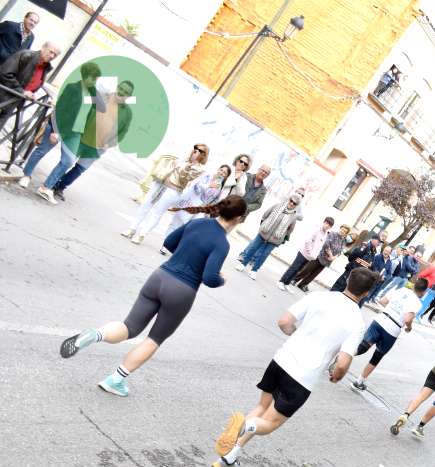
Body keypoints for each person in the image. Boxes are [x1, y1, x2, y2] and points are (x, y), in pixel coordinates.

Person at [59, 196, 247, 396]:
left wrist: (186, 253)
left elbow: (169, 242)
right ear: (237, 218)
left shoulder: (196, 222)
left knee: (129, 327)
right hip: (182, 291)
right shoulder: (221, 243)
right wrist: (222, 279)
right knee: (154, 339)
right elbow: (209, 278)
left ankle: (94, 335)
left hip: (159, 277)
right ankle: (114, 380)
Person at [211, 267, 379, 467]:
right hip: (302, 377)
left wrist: (295, 335)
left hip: (281, 360)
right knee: (270, 424)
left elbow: (284, 322)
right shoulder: (357, 323)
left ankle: (230, 456)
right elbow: (343, 363)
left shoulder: (318, 296)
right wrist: (337, 375)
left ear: (347, 280)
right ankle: (247, 425)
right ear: (366, 293)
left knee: (262, 407)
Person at [40, 77, 135, 203]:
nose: (121, 92)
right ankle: (48, 186)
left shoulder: (127, 112)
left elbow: (123, 131)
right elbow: (83, 109)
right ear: (117, 87)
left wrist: (110, 143)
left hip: (99, 146)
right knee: (66, 162)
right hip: (82, 137)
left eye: (125, 92)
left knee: (79, 169)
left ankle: (60, 187)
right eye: (120, 88)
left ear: (128, 96)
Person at [17, 59, 97, 192]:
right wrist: (55, 130)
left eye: (96, 79)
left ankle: (46, 187)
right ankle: (26, 175)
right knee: (41, 150)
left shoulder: (93, 93)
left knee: (68, 161)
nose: (94, 81)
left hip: (75, 132)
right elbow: (59, 109)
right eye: (93, 78)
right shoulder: (72, 88)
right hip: (59, 128)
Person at [122, 143, 208, 244]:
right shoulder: (183, 158)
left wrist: (188, 166)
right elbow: (170, 164)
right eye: (195, 148)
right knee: (145, 204)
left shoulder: (199, 169)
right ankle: (132, 229)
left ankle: (142, 235)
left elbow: (184, 178)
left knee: (157, 212)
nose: (196, 151)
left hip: (173, 189)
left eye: (200, 151)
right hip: (160, 182)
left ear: (204, 155)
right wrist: (185, 160)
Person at [351, 278, 427, 389]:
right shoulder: (417, 303)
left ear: (414, 285)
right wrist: (409, 328)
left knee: (363, 346)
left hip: (380, 320)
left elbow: (383, 301)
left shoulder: (402, 290)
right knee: (377, 356)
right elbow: (407, 319)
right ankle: (359, 382)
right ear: (424, 291)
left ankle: (340, 358)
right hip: (392, 330)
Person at [234, 191, 304, 280]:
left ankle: (254, 270)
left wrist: (282, 236)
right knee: (253, 248)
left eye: (294, 203)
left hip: (275, 239)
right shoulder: (277, 206)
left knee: (264, 255)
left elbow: (290, 229)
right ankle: (243, 264)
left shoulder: (293, 216)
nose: (291, 203)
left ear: (296, 205)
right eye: (291, 200)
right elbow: (265, 215)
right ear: (288, 199)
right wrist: (263, 225)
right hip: (264, 232)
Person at [0, 41, 57, 131]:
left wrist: (30, 94)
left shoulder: (46, 67)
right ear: (43, 48)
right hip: (3, 96)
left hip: (13, 101)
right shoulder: (26, 55)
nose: (52, 56)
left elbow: (32, 82)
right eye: (51, 52)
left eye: (55, 55)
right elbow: (5, 73)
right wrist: (22, 91)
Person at [278, 216, 334, 291]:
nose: (327, 226)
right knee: (294, 268)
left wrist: (314, 255)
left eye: (329, 225)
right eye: (326, 223)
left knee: (298, 270)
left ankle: (287, 283)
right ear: (324, 222)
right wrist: (310, 252)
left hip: (310, 257)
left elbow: (319, 246)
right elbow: (308, 241)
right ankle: (281, 281)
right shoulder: (317, 229)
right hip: (303, 253)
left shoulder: (325, 234)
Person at [292, 222, 344, 292]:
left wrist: (333, 258)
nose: (343, 231)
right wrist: (331, 255)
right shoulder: (332, 234)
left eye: (345, 231)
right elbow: (326, 244)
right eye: (342, 229)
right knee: (308, 269)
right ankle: (295, 279)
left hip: (328, 261)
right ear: (340, 228)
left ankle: (303, 284)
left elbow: (340, 251)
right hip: (320, 256)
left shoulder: (343, 241)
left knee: (315, 273)